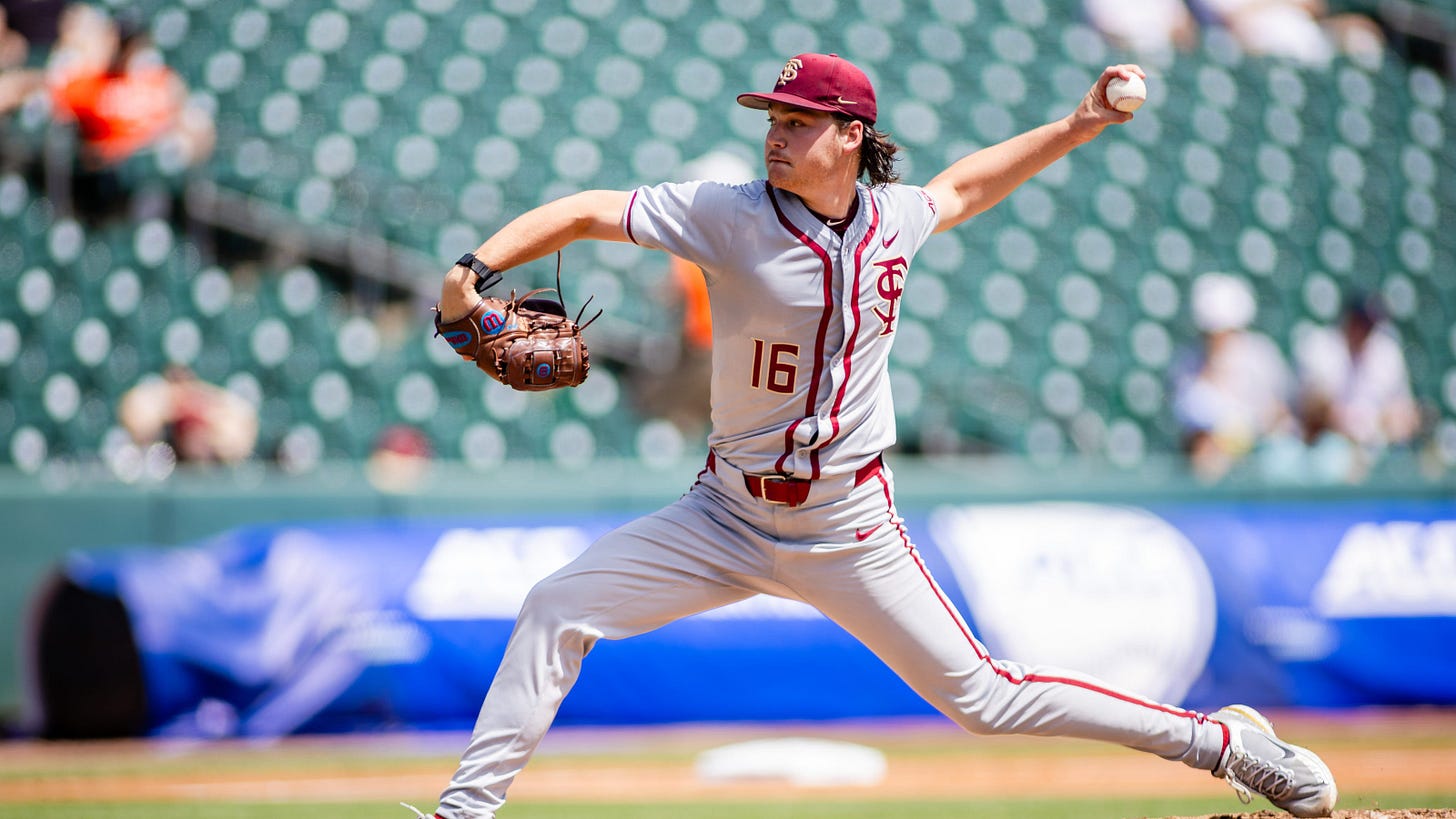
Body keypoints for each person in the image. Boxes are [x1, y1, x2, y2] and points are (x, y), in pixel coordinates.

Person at [412, 54, 1337, 819]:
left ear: (850, 135)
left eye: (799, 119)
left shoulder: (894, 220)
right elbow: (583, 210)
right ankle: (464, 812)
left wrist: (1077, 124)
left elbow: (963, 188)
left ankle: (1224, 742)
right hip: (722, 514)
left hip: (847, 527)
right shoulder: (727, 214)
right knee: (554, 606)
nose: (775, 132)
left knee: (987, 700)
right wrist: (471, 270)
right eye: (772, 117)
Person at [1171, 272, 1300, 483]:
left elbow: (1280, 411)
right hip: (1216, 453)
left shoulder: (1261, 355)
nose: (1217, 339)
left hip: (1263, 450)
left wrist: (1251, 431)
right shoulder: (1189, 362)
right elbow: (1191, 417)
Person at [1293, 293, 1421, 481]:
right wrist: (1348, 426)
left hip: (1379, 443)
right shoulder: (1320, 345)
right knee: (1331, 460)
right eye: (1360, 322)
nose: (1364, 330)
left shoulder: (1386, 351)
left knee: (1404, 466)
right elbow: (1312, 408)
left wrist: (1391, 424)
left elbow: (1405, 412)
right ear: (1348, 319)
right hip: (1327, 443)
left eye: (1370, 325)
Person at [117, 365, 258, 466]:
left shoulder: (210, 406)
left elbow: (240, 443)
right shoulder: (156, 405)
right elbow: (138, 422)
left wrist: (202, 408)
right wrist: (173, 401)